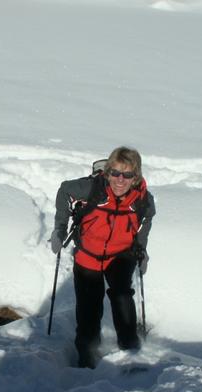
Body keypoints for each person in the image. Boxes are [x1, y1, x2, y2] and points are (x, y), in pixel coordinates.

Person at [50, 146, 156, 368]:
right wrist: (59, 229)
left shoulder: (143, 200)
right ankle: (87, 358)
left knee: (122, 296)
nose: (120, 180)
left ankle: (130, 351)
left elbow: (146, 221)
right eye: (115, 173)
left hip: (121, 253)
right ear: (107, 172)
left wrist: (142, 250)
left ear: (136, 177)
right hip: (89, 253)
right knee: (89, 309)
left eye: (127, 175)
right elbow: (64, 191)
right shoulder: (92, 189)